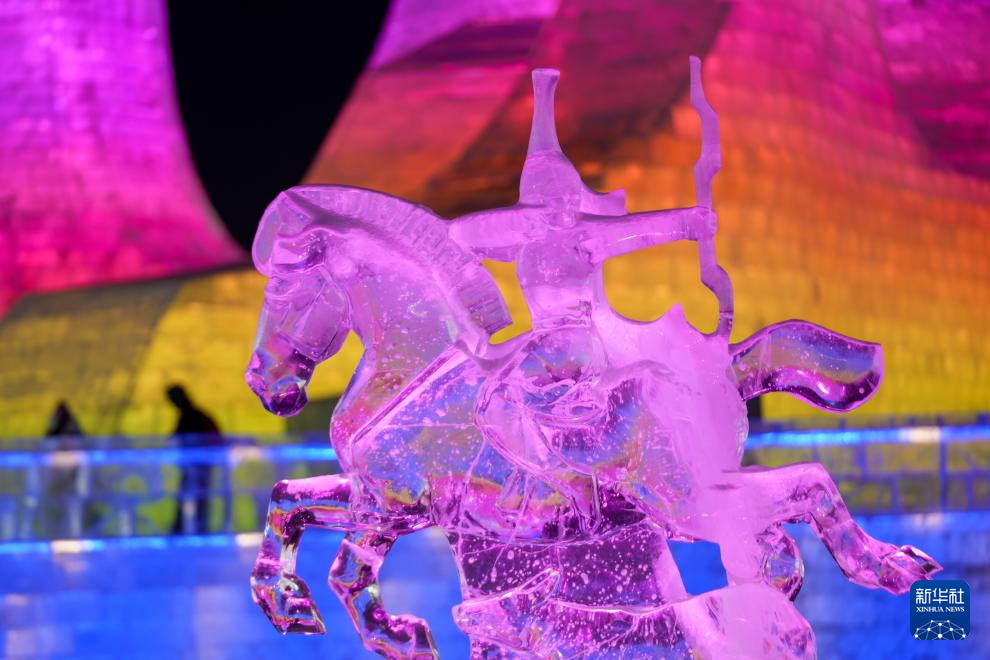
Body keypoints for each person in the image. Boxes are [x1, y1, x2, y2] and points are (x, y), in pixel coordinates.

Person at [167, 385, 224, 534]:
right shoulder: (195, 415)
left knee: (196, 496)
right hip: (198, 465)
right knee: (198, 497)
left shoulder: (191, 416)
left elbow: (180, 438)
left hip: (197, 465)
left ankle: (186, 529)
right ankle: (193, 529)